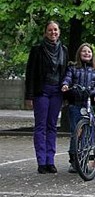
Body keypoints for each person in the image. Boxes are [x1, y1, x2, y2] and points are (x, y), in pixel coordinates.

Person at [24, 20, 69, 174]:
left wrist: (66, 93)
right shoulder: (37, 50)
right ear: (45, 32)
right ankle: (41, 162)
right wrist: (29, 96)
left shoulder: (63, 50)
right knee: (40, 126)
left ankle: (50, 160)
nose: (53, 32)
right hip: (41, 92)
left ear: (59, 32)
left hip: (57, 92)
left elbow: (65, 73)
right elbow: (30, 74)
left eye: (55, 30)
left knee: (52, 127)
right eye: (50, 30)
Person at [61, 43, 95, 173]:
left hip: (89, 104)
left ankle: (86, 158)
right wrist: (65, 85)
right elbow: (68, 79)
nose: (87, 53)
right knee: (76, 133)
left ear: (92, 55)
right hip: (75, 104)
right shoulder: (73, 68)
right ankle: (74, 161)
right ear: (79, 54)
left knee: (88, 132)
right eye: (84, 51)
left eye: (89, 52)